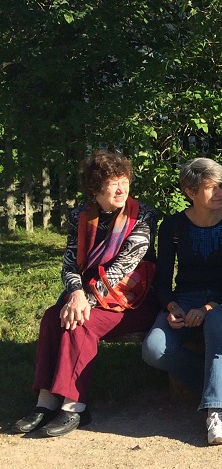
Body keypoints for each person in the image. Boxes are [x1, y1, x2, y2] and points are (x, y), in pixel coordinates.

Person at [15, 151, 159, 437]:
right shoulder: (80, 216)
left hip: (132, 300)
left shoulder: (143, 215)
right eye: (113, 183)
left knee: (82, 323)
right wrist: (75, 293)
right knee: (52, 317)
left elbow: (122, 267)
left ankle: (74, 407)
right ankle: (45, 402)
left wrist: (85, 300)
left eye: (125, 181)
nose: (121, 189)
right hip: (89, 294)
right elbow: (70, 264)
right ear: (95, 188)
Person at [141, 158, 222, 445]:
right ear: (190, 192)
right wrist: (172, 307)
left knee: (216, 321)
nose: (220, 192)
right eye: (211, 187)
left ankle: (216, 413)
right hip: (185, 299)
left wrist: (208, 308)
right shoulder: (173, 226)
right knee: (154, 349)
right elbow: (162, 280)